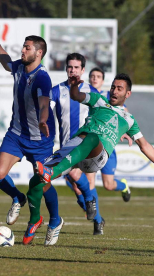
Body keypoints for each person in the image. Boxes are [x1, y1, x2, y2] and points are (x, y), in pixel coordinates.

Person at [31, 74, 154, 233]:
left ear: (127, 94)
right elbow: (76, 96)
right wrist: (74, 86)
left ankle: (55, 174)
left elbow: (145, 145)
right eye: (113, 87)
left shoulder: (129, 119)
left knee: (92, 141)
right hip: (76, 147)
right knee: (36, 180)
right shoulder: (98, 100)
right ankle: (34, 222)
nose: (114, 91)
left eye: (119, 89)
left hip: (97, 155)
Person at [0, 21, 63, 246]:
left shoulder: (42, 78)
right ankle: (18, 197)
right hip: (16, 134)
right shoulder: (19, 67)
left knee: (44, 182)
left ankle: (55, 220)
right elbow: (6, 62)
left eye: (27, 47)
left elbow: (43, 103)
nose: (22, 50)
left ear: (39, 53)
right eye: (23, 46)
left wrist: (41, 120)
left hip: (41, 139)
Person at [48, 53, 107, 235]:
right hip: (66, 145)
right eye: (70, 67)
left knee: (84, 179)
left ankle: (95, 217)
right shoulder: (56, 90)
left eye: (76, 67)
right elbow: (46, 110)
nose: (72, 70)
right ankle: (97, 217)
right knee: (76, 184)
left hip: (87, 145)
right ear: (66, 69)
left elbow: (104, 114)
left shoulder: (91, 92)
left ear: (82, 70)